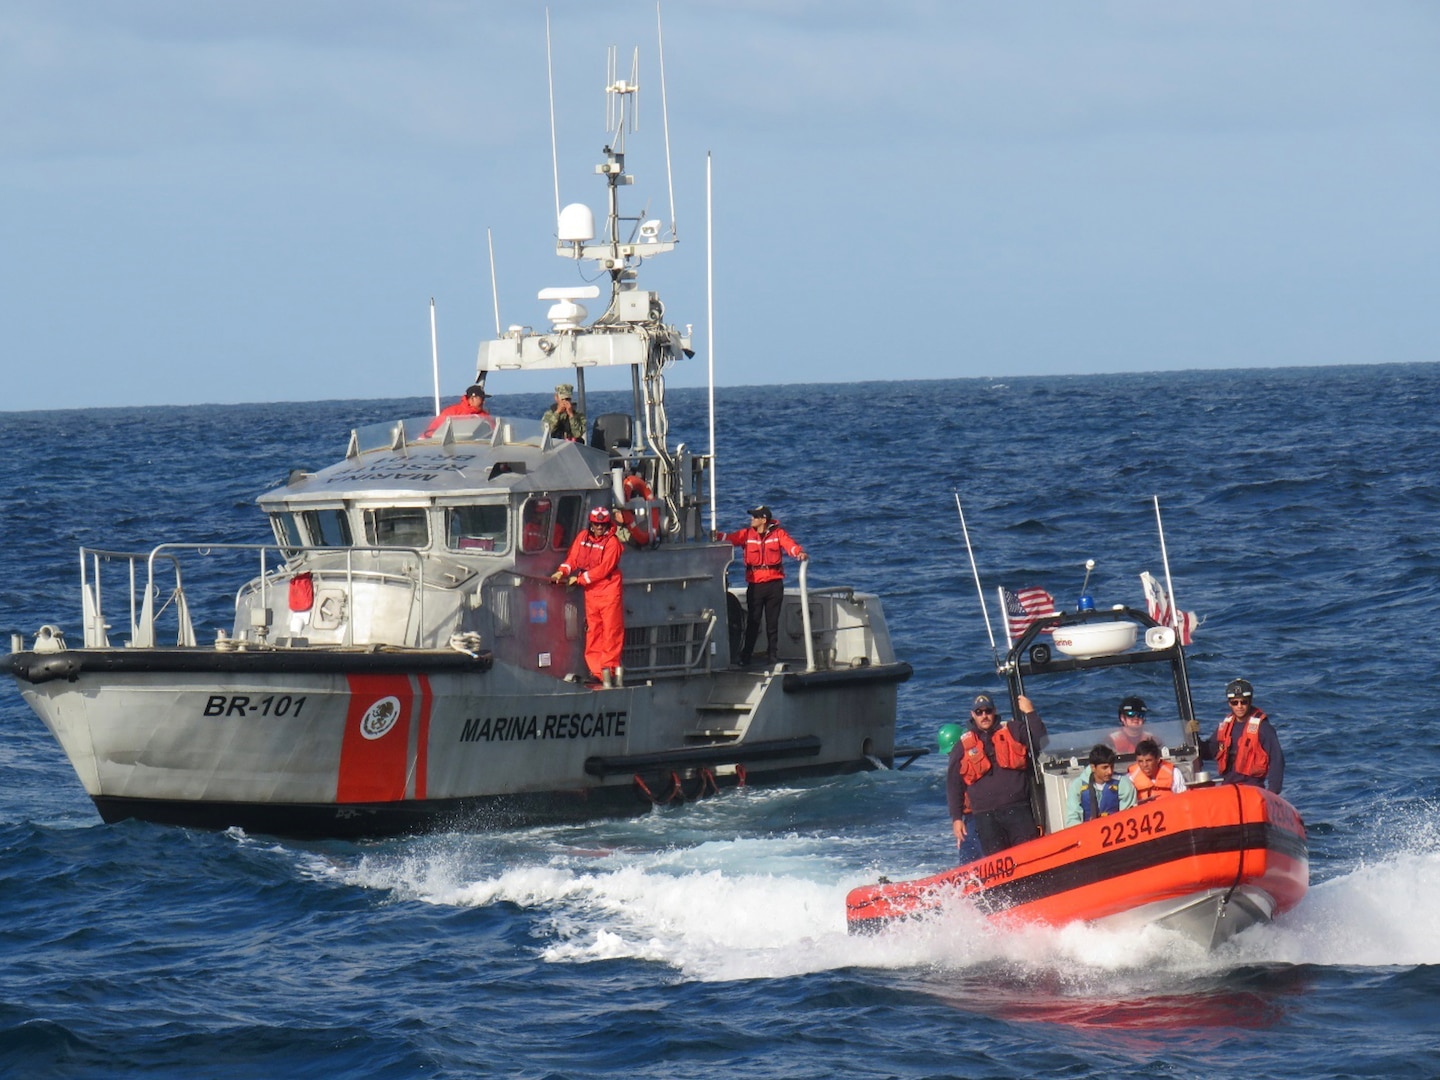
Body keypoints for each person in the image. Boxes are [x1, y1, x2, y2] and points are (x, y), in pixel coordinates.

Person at [946, 693, 1048, 856]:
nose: (984, 716)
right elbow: (953, 785)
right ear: (972, 714)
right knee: (997, 861)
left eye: (987, 711)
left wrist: (1030, 712)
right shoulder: (962, 746)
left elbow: (1041, 741)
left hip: (1018, 810)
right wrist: (956, 818)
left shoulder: (1014, 730)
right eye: (979, 712)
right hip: (985, 817)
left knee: (1029, 855)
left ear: (994, 711)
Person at [719, 505, 807, 667]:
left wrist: (798, 552)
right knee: (753, 622)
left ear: (763, 520)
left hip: (774, 585)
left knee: (772, 623)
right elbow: (728, 538)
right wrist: (712, 535)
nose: (751, 519)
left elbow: (790, 545)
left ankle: (772, 656)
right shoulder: (746, 534)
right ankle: (746, 656)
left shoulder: (778, 534)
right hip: (755, 586)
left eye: (755, 517)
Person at [550, 506, 625, 688]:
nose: (599, 528)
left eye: (603, 525)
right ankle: (596, 671)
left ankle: (609, 672)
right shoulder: (583, 537)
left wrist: (580, 578)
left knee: (611, 632)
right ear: (591, 523)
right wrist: (561, 572)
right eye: (597, 524)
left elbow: (604, 569)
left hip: (608, 591)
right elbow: (573, 558)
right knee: (593, 631)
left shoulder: (612, 543)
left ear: (607, 524)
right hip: (591, 593)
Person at [1200, 678, 1285, 794]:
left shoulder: (1263, 728)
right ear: (1229, 704)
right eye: (1235, 702)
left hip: (1252, 788)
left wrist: (1273, 792)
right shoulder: (1225, 727)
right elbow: (1210, 751)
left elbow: (1277, 760)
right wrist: (1193, 736)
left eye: (1243, 702)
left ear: (1250, 701)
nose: (1239, 706)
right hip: (1228, 787)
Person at [938, 724, 983, 864]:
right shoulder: (959, 767)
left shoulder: (976, 761)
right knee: (967, 854)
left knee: (982, 854)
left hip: (980, 816)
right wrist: (958, 819)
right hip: (969, 819)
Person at [1064, 744, 1138, 826]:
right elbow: (1072, 819)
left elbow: (1129, 817)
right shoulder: (1077, 786)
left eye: (1112, 766)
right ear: (1093, 767)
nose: (1109, 771)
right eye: (1105, 767)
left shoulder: (1124, 784)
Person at [1128, 737, 1187, 803]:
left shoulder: (1174, 773)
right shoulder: (1131, 778)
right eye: (1140, 761)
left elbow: (1183, 799)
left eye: (1149, 760)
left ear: (1158, 759)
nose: (1144, 765)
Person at [422, 384, 491, 438]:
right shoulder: (452, 412)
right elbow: (431, 431)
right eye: (482, 399)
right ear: (472, 398)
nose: (484, 402)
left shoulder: (485, 416)